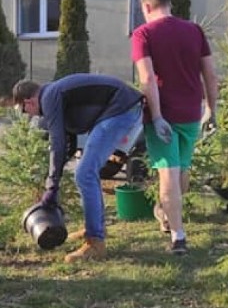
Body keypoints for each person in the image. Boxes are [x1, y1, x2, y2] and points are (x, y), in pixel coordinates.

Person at [13, 73, 144, 262]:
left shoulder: (49, 97)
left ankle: (95, 242)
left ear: (29, 102)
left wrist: (51, 186)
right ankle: (94, 228)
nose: (30, 116)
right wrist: (53, 181)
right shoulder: (55, 93)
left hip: (121, 108)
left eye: (25, 111)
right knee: (86, 172)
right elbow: (69, 144)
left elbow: (57, 143)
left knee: (84, 174)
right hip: (121, 106)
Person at [131, 0, 218, 255]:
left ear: (146, 7)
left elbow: (146, 78)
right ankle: (167, 216)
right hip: (191, 112)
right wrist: (212, 110)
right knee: (181, 169)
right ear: (169, 4)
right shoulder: (195, 31)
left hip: (164, 115)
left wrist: (156, 117)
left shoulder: (143, 33)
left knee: (168, 173)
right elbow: (211, 75)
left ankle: (178, 237)